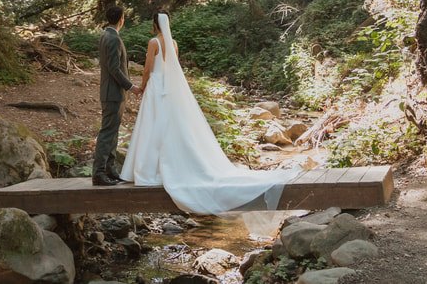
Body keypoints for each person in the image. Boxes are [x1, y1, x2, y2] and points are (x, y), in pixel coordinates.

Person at [120, 11, 298, 214]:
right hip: (169, 88)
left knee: (152, 125)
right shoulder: (174, 43)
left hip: (155, 86)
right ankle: (170, 165)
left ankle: (149, 169)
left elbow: (148, 69)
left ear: (155, 24)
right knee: (170, 125)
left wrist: (143, 87)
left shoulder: (153, 42)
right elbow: (173, 69)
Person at [92, 5, 139, 186]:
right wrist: (130, 86)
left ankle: (110, 168)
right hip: (113, 93)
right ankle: (99, 172)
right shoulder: (113, 39)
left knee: (112, 132)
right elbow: (114, 68)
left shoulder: (106, 35)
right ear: (121, 19)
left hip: (111, 92)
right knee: (107, 133)